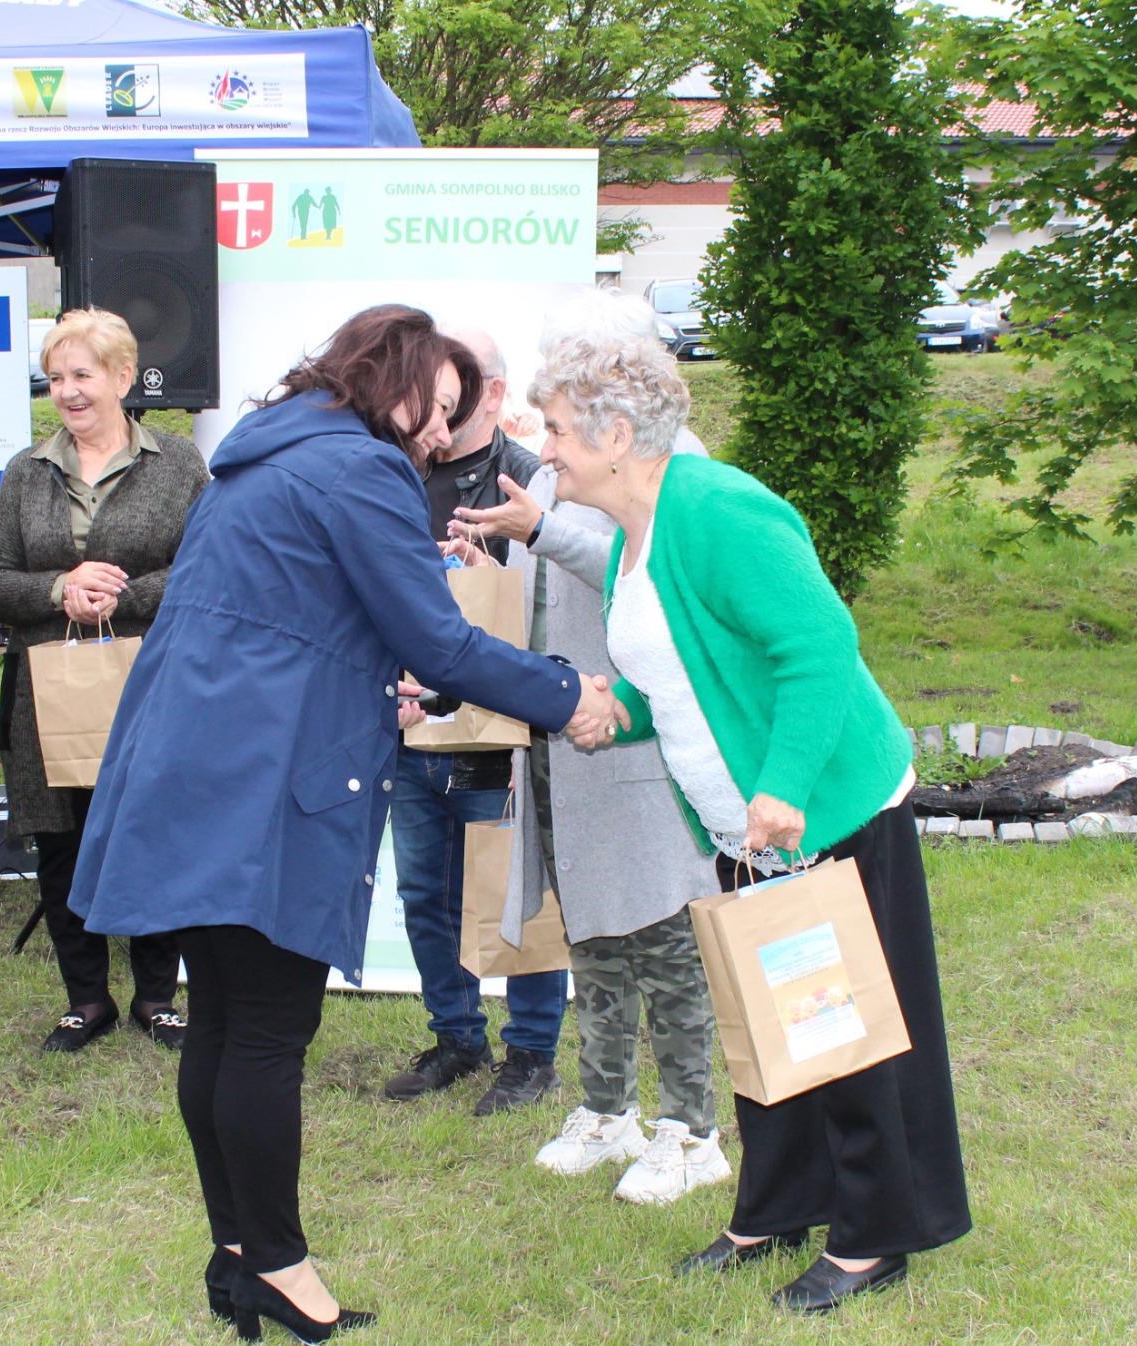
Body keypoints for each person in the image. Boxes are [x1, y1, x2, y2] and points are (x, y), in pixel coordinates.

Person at [66, 305, 623, 1341]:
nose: (435, 435)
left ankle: (237, 1253)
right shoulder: (359, 468)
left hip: (195, 763)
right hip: (259, 780)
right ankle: (279, 1266)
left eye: (456, 418)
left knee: (228, 1020)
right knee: (268, 1030)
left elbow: (296, 622)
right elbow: (440, 638)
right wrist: (567, 690)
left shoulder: (265, 454)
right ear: (390, 377)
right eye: (433, 409)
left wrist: (378, 683)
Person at [541, 333, 971, 1311]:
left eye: (558, 428)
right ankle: (774, 1207)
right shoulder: (632, 536)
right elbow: (690, 672)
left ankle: (872, 1236)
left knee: (846, 1026)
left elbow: (820, 644)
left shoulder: (717, 507)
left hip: (825, 809)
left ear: (616, 434)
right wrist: (623, 707)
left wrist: (782, 788)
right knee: (772, 1023)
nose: (547, 447)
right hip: (747, 827)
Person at [446, 292, 728, 1202]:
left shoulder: (678, 468)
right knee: (594, 941)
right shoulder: (564, 465)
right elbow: (559, 582)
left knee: (668, 946)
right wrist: (503, 578)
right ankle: (607, 1109)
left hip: (641, 748)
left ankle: (693, 1129)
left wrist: (539, 531)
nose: (550, 423)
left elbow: (631, 570)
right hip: (569, 744)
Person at [0, 308, 209, 1054]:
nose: (69, 392)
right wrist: (58, 591)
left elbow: (209, 569)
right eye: (56, 378)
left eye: (83, 375)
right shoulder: (26, 471)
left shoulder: (179, 465)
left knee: (154, 835)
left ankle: (155, 997)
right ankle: (86, 1000)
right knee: (62, 843)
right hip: (48, 688)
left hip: (154, 682)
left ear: (122, 377)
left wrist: (123, 596)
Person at [382, 327, 569, 1117]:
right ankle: (457, 1035)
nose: (439, 409)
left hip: (495, 728)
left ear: (494, 394)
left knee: (513, 890)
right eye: (430, 391)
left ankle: (531, 1053)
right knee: (426, 891)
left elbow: (561, 612)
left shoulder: (529, 484)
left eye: (457, 394)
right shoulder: (396, 470)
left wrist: (502, 577)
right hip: (409, 720)